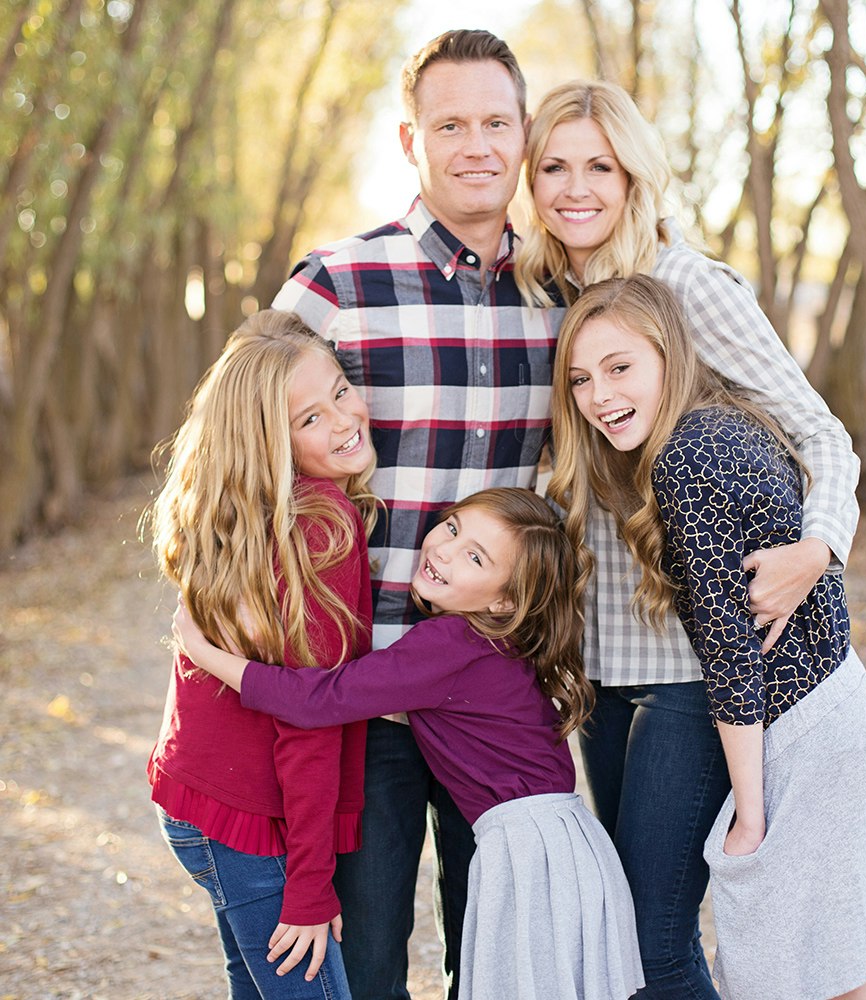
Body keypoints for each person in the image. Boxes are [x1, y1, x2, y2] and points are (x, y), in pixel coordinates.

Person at [516, 79, 864, 999]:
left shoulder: (688, 288)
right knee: (631, 924)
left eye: (600, 164)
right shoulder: (553, 297)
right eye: (553, 165)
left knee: (651, 931)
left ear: (636, 176)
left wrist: (818, 549)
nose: (576, 186)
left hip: (686, 664)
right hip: (598, 665)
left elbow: (821, 432)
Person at [550, 274, 866, 1000]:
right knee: (849, 972)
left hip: (806, 740)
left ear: (670, 354)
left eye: (620, 367)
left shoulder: (684, 462)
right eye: (580, 379)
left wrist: (751, 814)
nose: (600, 396)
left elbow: (730, 657)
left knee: (797, 971)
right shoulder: (728, 421)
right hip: (845, 711)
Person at [270, 29, 560, 1000]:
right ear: (410, 141)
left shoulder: (563, 297)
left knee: (499, 955)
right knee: (369, 961)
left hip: (497, 696)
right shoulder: (336, 284)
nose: (475, 144)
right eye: (449, 125)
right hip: (367, 693)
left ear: (522, 135)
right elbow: (235, 447)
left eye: (494, 122)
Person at [172, 487, 646, 1000]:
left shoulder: (448, 645)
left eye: (474, 557)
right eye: (453, 526)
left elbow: (320, 699)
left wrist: (206, 653)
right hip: (562, 840)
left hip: (529, 849)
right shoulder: (491, 641)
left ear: (505, 599)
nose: (444, 548)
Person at [145, 310, 380, 997]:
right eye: (308, 419)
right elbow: (309, 720)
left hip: (198, 799)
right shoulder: (321, 531)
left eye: (340, 391)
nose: (341, 419)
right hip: (248, 822)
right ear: (268, 443)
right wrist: (309, 886)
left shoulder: (252, 517)